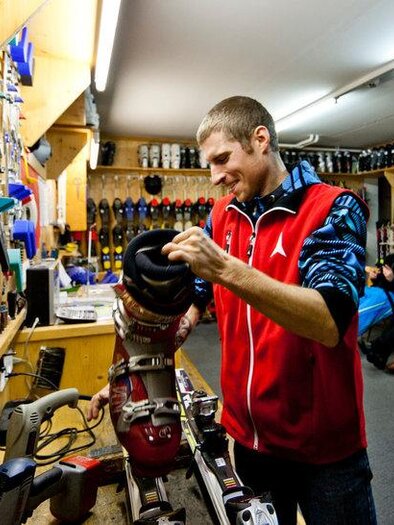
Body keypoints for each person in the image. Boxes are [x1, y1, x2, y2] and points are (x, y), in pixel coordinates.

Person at [88, 96, 376, 525]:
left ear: (260, 140)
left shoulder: (332, 208)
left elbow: (329, 320)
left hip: (325, 453)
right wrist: (137, 374)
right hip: (247, 440)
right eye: (209, 164)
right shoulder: (223, 215)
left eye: (222, 158)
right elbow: (198, 297)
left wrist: (225, 267)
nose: (216, 177)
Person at [359, 254, 394, 370]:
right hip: (376, 290)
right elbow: (380, 278)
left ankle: (345, 335)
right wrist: (375, 277)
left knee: (362, 312)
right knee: (353, 298)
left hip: (389, 296)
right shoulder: (391, 258)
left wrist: (392, 280)